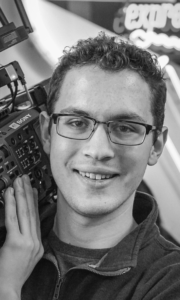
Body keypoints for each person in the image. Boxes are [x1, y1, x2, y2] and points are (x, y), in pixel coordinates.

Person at [1, 32, 180, 300]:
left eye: (125, 128)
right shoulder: (6, 240)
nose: (98, 151)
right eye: (76, 122)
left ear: (155, 146)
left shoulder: (168, 282)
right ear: (47, 133)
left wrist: (6, 288)